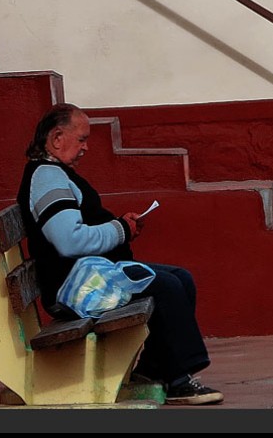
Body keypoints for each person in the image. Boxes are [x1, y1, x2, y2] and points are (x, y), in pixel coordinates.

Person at [17, 103, 224, 405]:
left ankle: (152, 371)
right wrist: (119, 231)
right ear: (57, 137)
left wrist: (119, 226)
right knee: (167, 287)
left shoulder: (54, 173)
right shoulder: (47, 177)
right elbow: (68, 241)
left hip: (87, 275)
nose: (86, 147)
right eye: (82, 139)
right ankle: (179, 380)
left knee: (181, 278)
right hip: (74, 286)